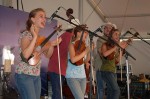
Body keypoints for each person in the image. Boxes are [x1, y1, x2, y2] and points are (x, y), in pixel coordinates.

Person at [14, 8, 62, 99]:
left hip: (36, 75)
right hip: (24, 75)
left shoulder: (42, 38)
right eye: (41, 16)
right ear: (32, 19)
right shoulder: (26, 35)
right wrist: (36, 37)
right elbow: (26, 56)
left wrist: (52, 45)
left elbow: (48, 55)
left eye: (45, 17)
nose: (44, 19)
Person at [48, 19, 79, 99]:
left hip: (57, 66)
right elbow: (72, 53)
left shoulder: (66, 35)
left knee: (57, 92)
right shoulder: (69, 36)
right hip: (57, 67)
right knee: (57, 93)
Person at [100, 29, 128, 99]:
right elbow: (104, 54)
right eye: (116, 34)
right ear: (111, 36)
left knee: (111, 91)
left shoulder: (115, 47)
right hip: (106, 71)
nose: (117, 36)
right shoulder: (105, 44)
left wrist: (121, 50)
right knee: (116, 90)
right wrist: (116, 47)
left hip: (113, 71)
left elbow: (117, 60)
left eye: (118, 35)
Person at [65, 24, 90, 99]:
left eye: (87, 33)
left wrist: (89, 51)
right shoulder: (71, 45)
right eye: (85, 32)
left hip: (82, 76)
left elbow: (85, 61)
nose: (87, 34)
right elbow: (73, 59)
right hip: (72, 77)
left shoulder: (84, 46)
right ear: (78, 33)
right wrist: (85, 51)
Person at [94, 22, 117, 99]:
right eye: (106, 28)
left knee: (111, 89)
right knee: (101, 89)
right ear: (103, 30)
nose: (107, 29)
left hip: (111, 69)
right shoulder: (100, 39)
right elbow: (102, 53)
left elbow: (115, 55)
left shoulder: (114, 41)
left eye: (110, 28)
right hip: (101, 67)